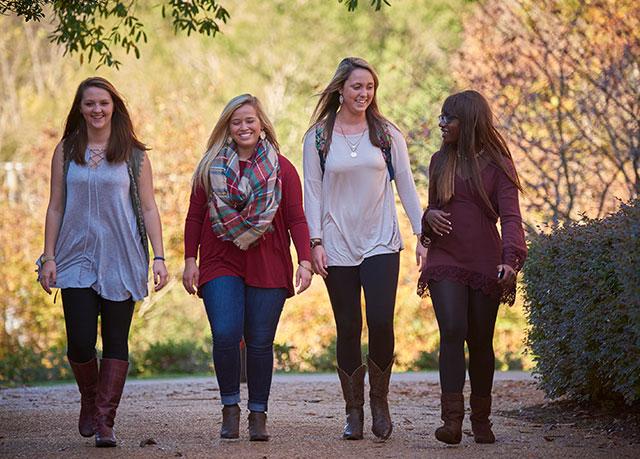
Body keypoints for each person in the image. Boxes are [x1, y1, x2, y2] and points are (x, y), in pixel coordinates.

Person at [38, 77, 169, 447]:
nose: (97, 110)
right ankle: (90, 396)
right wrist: (49, 256)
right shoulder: (66, 150)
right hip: (74, 255)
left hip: (122, 255)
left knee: (115, 339)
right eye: (90, 104)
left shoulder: (134, 153)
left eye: (104, 103)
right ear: (80, 109)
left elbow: (148, 206)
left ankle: (105, 421)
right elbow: (56, 205)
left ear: (115, 107)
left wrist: (159, 257)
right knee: (79, 342)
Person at [303, 57, 427, 441]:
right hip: (336, 242)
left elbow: (405, 183)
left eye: (370, 87)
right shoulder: (319, 137)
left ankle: (379, 401)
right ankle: (353, 410)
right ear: (341, 89)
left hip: (381, 241)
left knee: (381, 320)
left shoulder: (387, 134)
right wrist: (315, 243)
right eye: (357, 87)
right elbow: (312, 191)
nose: (364, 94)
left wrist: (423, 234)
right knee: (348, 327)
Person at [183, 94, 312, 441]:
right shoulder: (210, 166)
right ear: (227, 126)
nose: (244, 127)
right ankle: (230, 408)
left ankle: (258, 414)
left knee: (259, 341)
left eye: (250, 121)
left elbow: (297, 218)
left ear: (261, 124)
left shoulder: (282, 168)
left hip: (268, 260)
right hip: (219, 258)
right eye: (236, 121)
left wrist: (305, 260)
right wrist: (189, 259)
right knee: (225, 332)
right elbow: (195, 216)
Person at [418, 90, 527, 445]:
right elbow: (433, 208)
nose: (442, 124)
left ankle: (481, 421)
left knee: (480, 340)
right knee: (452, 329)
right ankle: (451, 422)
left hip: (484, 260)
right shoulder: (439, 161)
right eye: (442, 117)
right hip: (445, 258)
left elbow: (511, 217)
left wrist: (510, 260)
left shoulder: (498, 165)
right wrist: (427, 216)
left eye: (449, 118)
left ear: (470, 122)